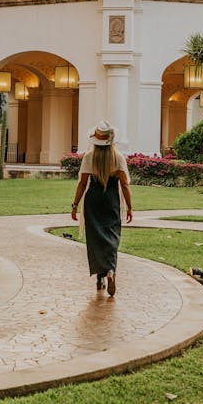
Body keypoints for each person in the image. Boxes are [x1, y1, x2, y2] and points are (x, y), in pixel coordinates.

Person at [71, 122, 132, 296]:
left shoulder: (89, 157)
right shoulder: (118, 157)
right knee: (112, 237)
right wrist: (129, 207)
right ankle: (111, 271)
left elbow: (82, 184)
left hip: (93, 199)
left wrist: (75, 205)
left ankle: (99, 278)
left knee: (96, 238)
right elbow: (125, 184)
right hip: (111, 199)